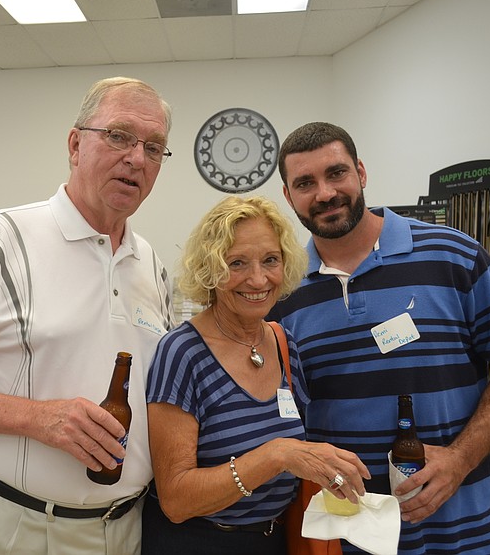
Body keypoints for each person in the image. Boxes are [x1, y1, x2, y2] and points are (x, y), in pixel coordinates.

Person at [0, 77, 176, 554]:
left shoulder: (150, 264)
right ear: (75, 144)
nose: (136, 158)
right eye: (119, 136)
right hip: (16, 530)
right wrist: (41, 418)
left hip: (126, 529)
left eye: (153, 147)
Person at [268, 121, 490, 554]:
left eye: (336, 173)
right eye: (305, 183)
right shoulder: (282, 293)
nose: (324, 193)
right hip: (348, 538)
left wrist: (460, 459)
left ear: (361, 173)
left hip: (459, 534)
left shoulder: (453, 256)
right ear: (289, 196)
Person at [143, 195, 371, 555]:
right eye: (237, 263)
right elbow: (176, 499)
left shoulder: (282, 342)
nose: (258, 279)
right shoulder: (182, 352)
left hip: (275, 539)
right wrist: (276, 455)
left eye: (270, 260)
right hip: (200, 543)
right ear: (210, 269)